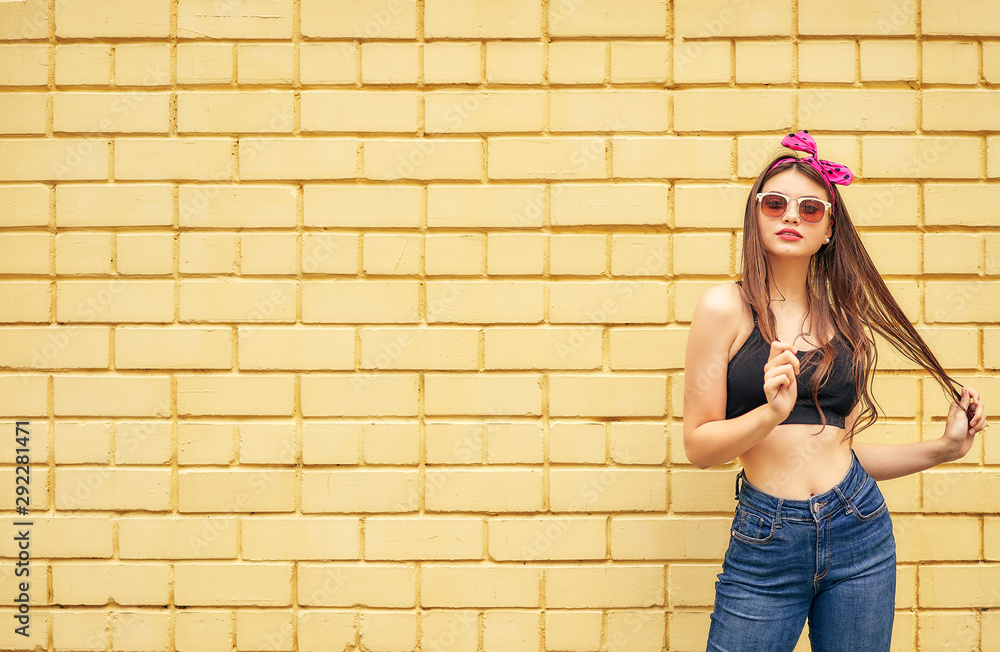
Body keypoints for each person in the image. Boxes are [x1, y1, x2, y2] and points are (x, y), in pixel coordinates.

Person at [682, 130, 988, 652]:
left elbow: (840, 452)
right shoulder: (724, 308)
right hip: (767, 539)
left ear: (828, 229)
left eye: (810, 208)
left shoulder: (844, 320)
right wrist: (769, 414)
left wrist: (944, 449)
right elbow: (699, 447)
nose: (791, 216)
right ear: (756, 216)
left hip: (859, 529)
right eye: (775, 203)